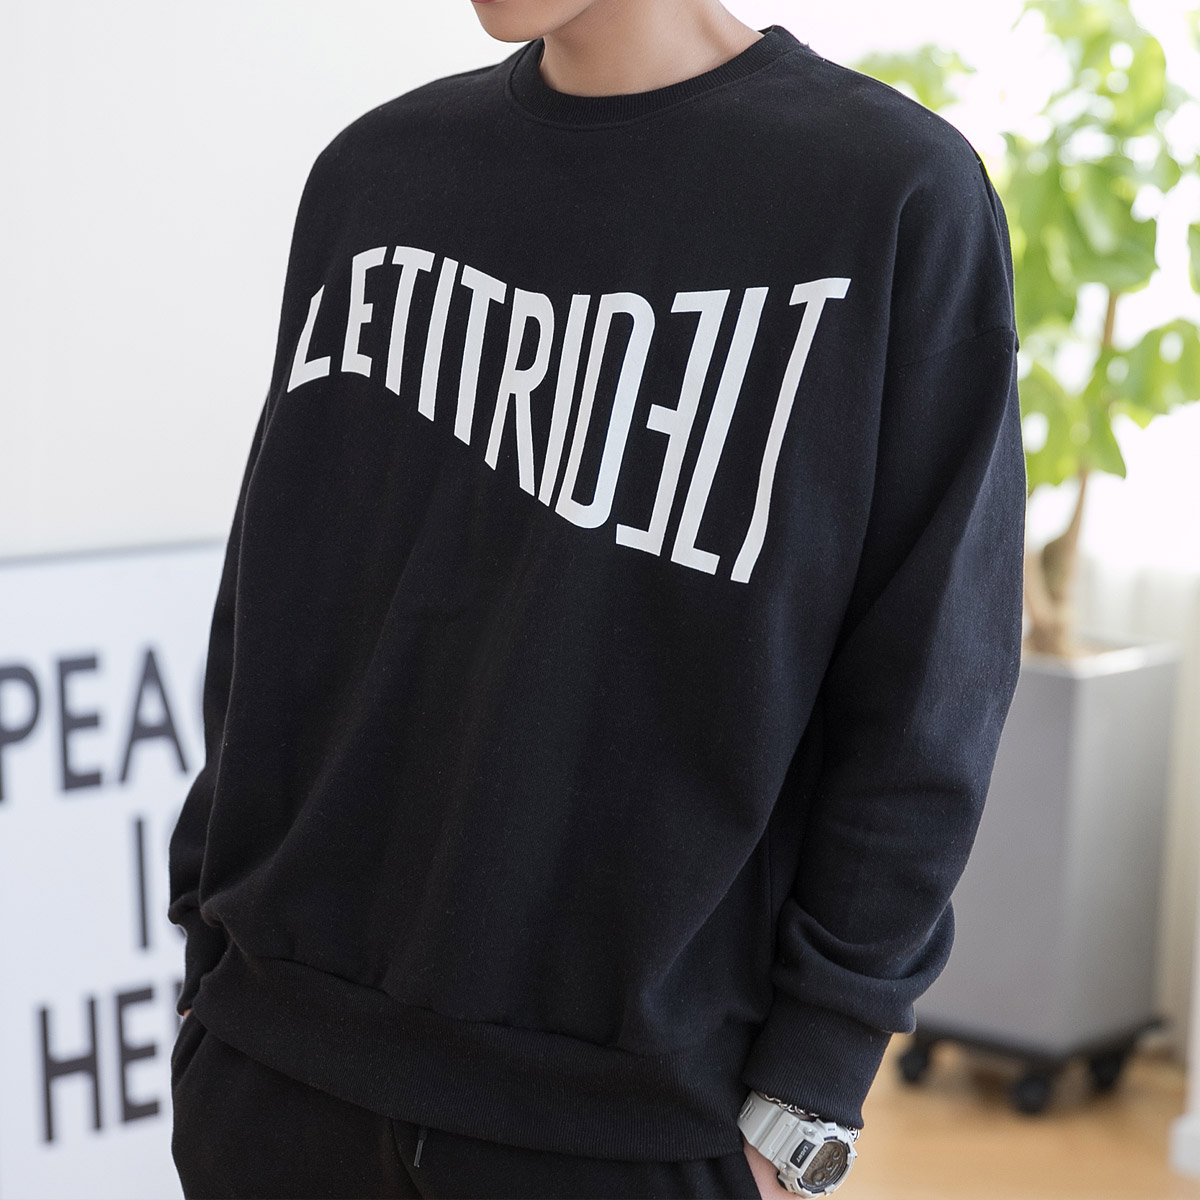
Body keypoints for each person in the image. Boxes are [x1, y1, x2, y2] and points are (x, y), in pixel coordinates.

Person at [167, 0, 1026, 1196]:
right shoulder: (375, 175)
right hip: (281, 1076)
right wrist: (209, 954)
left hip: (634, 1124)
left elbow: (931, 691)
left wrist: (812, 1087)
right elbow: (270, 610)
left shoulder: (889, 196)